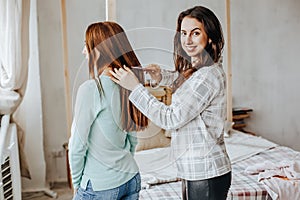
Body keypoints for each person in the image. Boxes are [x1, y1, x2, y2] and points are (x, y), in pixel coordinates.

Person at [110, 6, 231, 200]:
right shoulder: (201, 69)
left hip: (206, 173)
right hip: (197, 171)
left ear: (210, 37)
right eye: (184, 33)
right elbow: (185, 83)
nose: (187, 40)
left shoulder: (207, 76)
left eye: (195, 33)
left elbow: (171, 118)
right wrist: (161, 77)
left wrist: (136, 89)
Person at [68, 21, 148, 200]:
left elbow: (76, 147)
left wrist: (77, 185)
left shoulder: (90, 89)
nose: (83, 52)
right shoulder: (128, 84)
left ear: (100, 50)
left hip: (100, 185)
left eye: (86, 46)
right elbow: (132, 139)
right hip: (131, 177)